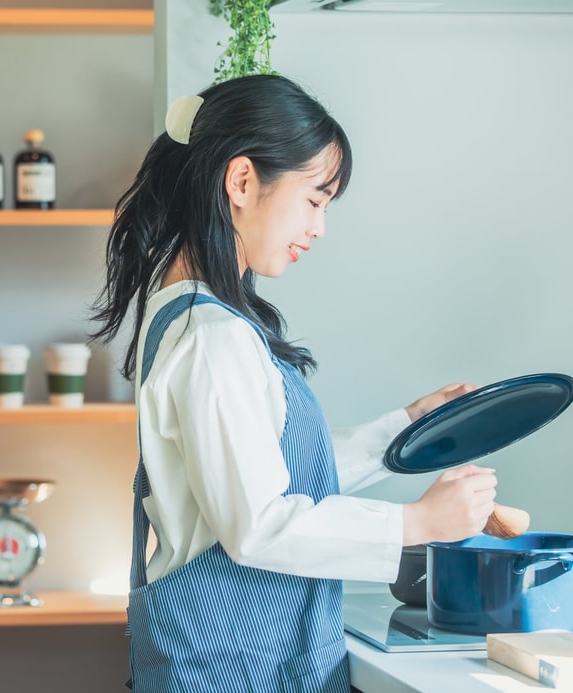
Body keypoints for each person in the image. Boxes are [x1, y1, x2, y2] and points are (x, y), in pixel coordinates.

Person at [89, 74, 498, 692]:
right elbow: (259, 524)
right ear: (242, 181)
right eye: (314, 199)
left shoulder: (193, 313)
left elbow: (263, 471)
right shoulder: (213, 336)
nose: (319, 227)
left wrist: (407, 426)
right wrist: (416, 524)